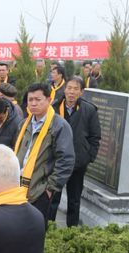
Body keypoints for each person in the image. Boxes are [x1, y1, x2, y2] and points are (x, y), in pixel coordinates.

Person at [13, 82, 75, 224]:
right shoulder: (24, 124)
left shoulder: (59, 126)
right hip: (16, 188)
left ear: (49, 100)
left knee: (34, 230)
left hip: (40, 192)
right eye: (30, 99)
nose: (33, 103)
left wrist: (49, 189)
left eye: (38, 99)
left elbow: (66, 160)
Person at [50, 77, 101, 226]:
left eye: (75, 89)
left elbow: (95, 136)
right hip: (56, 161)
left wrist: (88, 157)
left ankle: (72, 230)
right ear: (64, 90)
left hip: (77, 162)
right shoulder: (54, 108)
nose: (71, 92)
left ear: (81, 92)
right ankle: (49, 228)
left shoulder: (89, 110)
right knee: (53, 197)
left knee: (74, 199)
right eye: (69, 88)